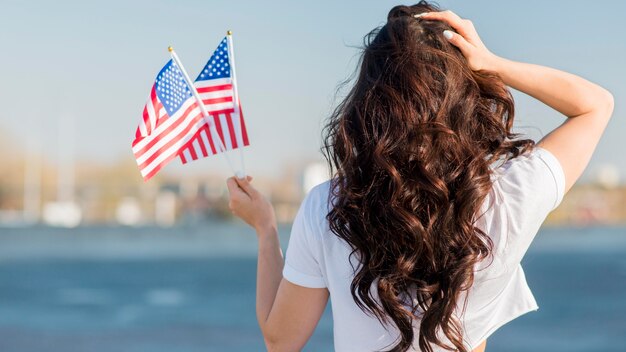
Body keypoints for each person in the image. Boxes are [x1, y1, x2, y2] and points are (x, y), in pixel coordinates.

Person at [225, 2, 614, 351]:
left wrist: (265, 229)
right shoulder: (509, 193)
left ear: (369, 102)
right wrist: (492, 62)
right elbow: (595, 105)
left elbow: (281, 339)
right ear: (464, 93)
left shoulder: (329, 207)